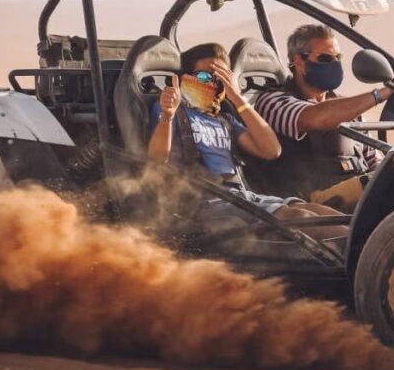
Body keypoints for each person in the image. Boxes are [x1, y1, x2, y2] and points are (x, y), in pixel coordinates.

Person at [147, 42, 344, 234]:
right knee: (300, 217)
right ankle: (362, 258)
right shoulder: (172, 111)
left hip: (242, 195)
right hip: (203, 200)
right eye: (205, 76)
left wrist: (236, 97)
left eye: (220, 78)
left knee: (320, 212)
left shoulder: (225, 119)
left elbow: (271, 150)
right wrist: (167, 115)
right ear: (185, 78)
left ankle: (364, 252)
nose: (212, 83)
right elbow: (157, 157)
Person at [253, 24, 394, 210]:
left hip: (356, 193)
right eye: (326, 58)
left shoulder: (347, 108)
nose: (334, 64)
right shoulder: (273, 101)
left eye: (338, 58)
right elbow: (315, 118)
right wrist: (381, 94)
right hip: (311, 203)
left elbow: (374, 161)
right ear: (300, 62)